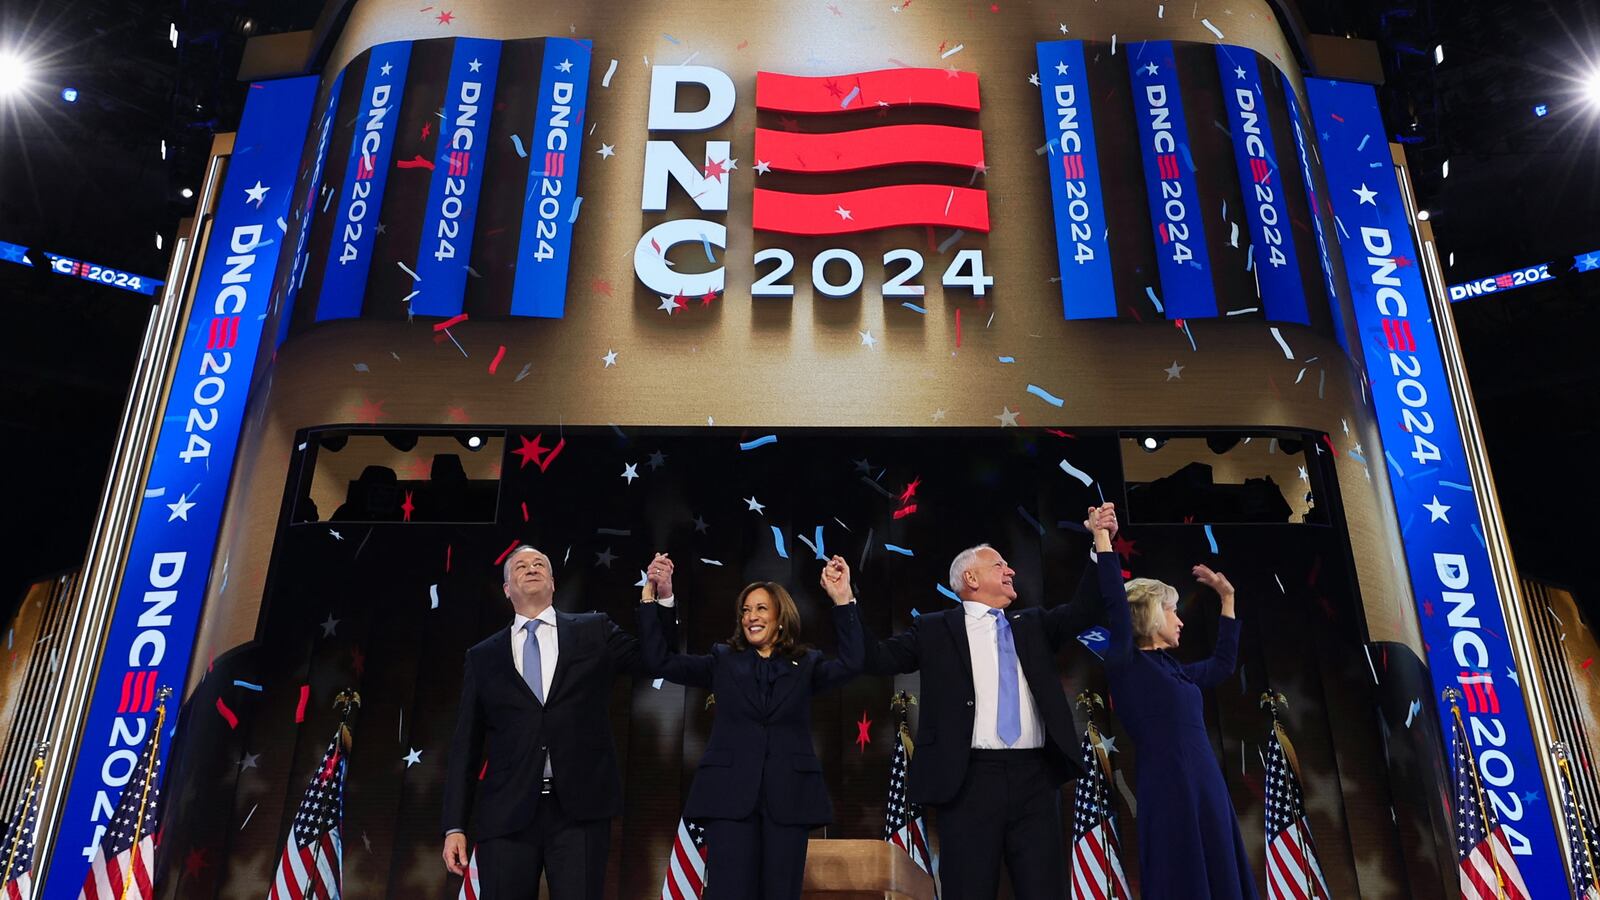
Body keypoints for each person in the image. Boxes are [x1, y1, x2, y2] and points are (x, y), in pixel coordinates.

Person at [862, 513, 1115, 900]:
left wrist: (1101, 542)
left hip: (1034, 777)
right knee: (969, 890)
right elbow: (878, 658)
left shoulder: (1033, 625)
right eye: (999, 564)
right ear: (971, 579)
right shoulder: (933, 630)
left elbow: (1086, 610)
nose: (1011, 570)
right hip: (969, 781)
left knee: (1043, 890)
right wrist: (845, 602)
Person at [441, 545, 674, 899]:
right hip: (507, 816)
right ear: (507, 588)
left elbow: (656, 660)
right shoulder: (482, 656)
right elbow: (465, 747)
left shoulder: (593, 630)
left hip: (579, 812)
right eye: (520, 566)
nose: (531, 568)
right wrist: (454, 826)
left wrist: (660, 600)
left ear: (552, 581)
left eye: (539, 564)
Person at [637, 553, 864, 900]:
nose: (751, 616)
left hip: (789, 799)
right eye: (745, 610)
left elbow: (853, 662)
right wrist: (658, 597)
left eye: (760, 608)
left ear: (781, 617)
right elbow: (661, 660)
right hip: (729, 799)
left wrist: (842, 599)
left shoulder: (806, 664)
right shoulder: (722, 660)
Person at [1087, 504, 1257, 899]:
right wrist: (1102, 538)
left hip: (1206, 781)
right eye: (1171, 610)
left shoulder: (1175, 670)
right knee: (1180, 871)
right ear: (1149, 612)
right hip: (1168, 785)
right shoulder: (1126, 662)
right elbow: (1114, 599)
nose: (1179, 620)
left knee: (1220, 866)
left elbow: (1222, 665)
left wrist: (1227, 599)